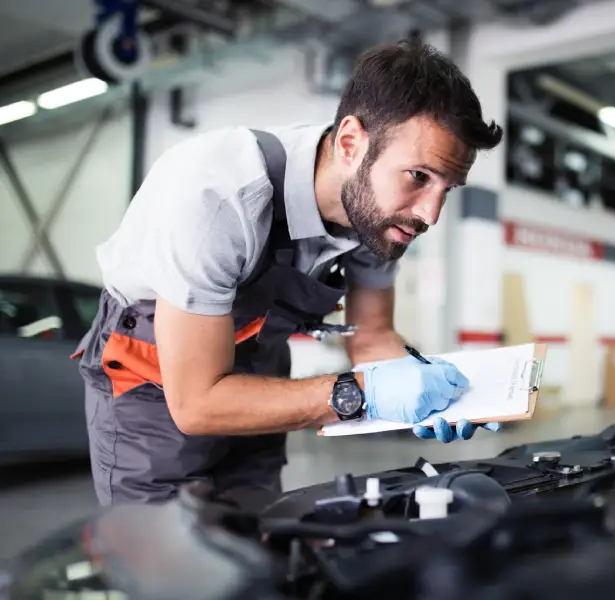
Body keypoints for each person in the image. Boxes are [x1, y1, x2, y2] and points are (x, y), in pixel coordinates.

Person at [71, 38, 504, 507]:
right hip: (152, 380)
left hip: (259, 364)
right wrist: (363, 394)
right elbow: (196, 403)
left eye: (448, 188)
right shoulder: (216, 197)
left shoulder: (379, 217)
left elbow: (373, 336)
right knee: (166, 562)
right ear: (350, 142)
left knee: (260, 541)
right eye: (419, 176)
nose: (430, 215)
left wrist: (436, 390)